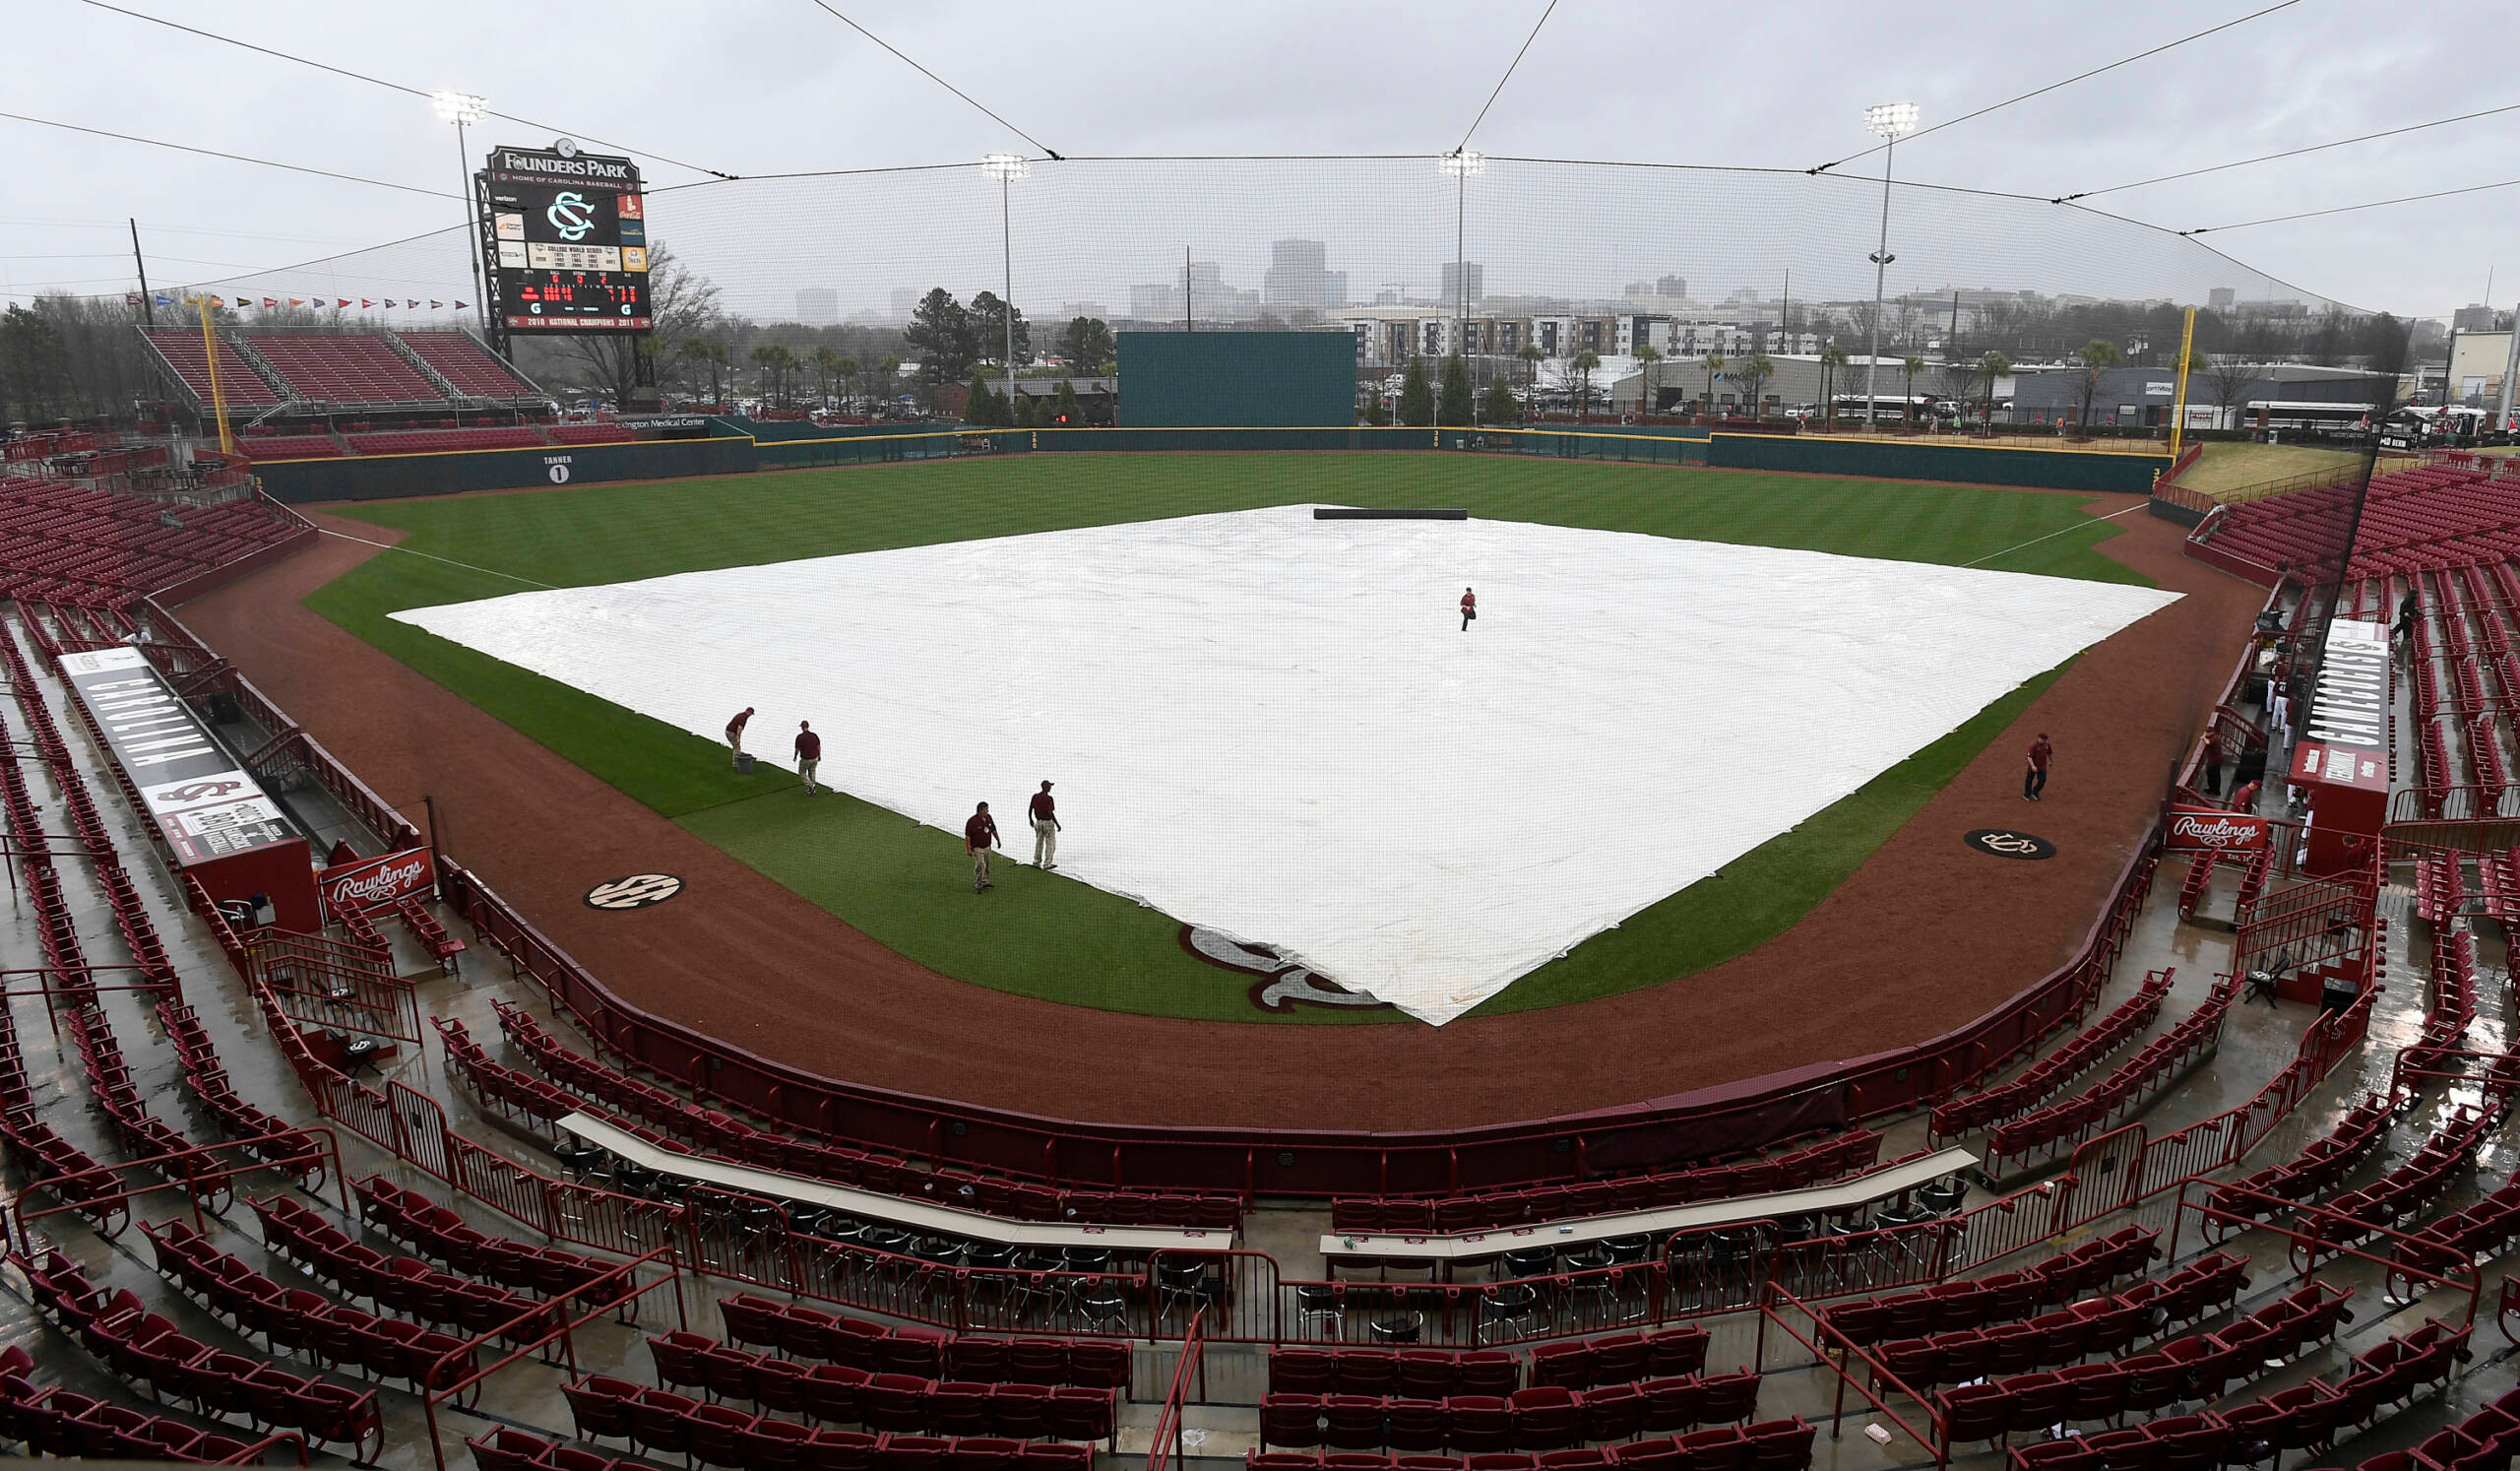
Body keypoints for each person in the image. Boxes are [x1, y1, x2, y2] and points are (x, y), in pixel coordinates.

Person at [966, 801, 1001, 892]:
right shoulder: (972, 822)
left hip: (987, 847)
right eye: (986, 809)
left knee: (987, 865)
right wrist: (968, 849)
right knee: (980, 864)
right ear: (980, 810)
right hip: (977, 848)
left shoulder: (989, 818)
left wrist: (998, 840)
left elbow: (993, 829)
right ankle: (978, 884)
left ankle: (985, 881)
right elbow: (968, 836)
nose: (987, 811)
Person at [1029, 781, 1060, 869]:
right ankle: (1047, 864)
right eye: (1049, 786)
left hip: (1038, 822)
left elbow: (1030, 808)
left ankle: (1036, 861)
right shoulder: (1049, 798)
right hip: (1048, 823)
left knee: (1039, 842)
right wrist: (1057, 824)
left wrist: (1030, 819)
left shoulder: (1035, 796)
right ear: (1046, 788)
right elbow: (1050, 812)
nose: (1050, 788)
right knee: (1050, 843)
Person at [793, 721, 822, 796]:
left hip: (805, 759)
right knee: (812, 771)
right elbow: (818, 746)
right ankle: (812, 789)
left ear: (802, 727)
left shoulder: (800, 737)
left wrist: (795, 756)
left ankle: (811, 785)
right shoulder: (814, 735)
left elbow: (797, 749)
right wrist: (819, 755)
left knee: (802, 772)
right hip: (814, 758)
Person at [2024, 733, 2052, 801]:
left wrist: (2050, 761)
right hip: (2033, 767)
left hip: (2042, 766)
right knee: (2029, 780)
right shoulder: (2033, 745)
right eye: (2043, 739)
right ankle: (2027, 794)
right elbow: (2029, 757)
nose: (2045, 741)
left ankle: (2035, 792)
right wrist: (2033, 766)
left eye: (2045, 739)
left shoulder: (2047, 744)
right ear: (2039, 738)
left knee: (2042, 780)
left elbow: (2049, 753)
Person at [2200, 730, 2223, 797]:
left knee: (2214, 776)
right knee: (2212, 775)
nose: (2207, 733)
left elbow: (2208, 742)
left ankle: (2215, 791)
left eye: (2208, 732)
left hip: (2215, 760)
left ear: (2212, 732)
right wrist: (2205, 735)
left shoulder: (2214, 738)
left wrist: (2203, 738)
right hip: (2214, 760)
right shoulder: (2214, 736)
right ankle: (2212, 789)